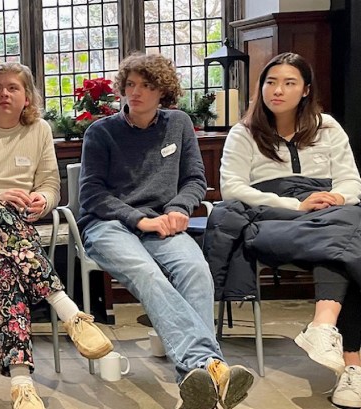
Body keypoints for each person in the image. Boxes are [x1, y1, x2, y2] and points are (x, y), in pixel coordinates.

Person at [0, 62, 112, 409]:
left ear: (27, 97)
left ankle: (21, 383)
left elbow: (49, 186)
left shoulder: (39, 130)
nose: (4, 94)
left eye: (13, 87)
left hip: (9, 242)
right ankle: (69, 312)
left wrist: (44, 200)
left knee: (5, 268)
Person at [77, 53, 254, 409]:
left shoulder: (178, 124)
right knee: (147, 273)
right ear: (122, 89)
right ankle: (208, 365)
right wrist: (138, 219)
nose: (136, 93)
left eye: (147, 85)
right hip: (108, 225)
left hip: (161, 222)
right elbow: (92, 194)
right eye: (130, 85)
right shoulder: (101, 132)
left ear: (164, 91)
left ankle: (198, 383)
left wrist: (176, 209)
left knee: (195, 270)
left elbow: (194, 180)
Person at [219, 52, 361, 407]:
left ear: (306, 90)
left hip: (331, 215)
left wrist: (336, 197)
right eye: (270, 82)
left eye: (289, 83)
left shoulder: (328, 127)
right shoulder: (244, 132)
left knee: (345, 244)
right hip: (270, 220)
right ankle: (350, 364)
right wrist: (296, 205)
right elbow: (232, 189)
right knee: (351, 241)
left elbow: (351, 181)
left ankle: (332, 341)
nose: (277, 90)